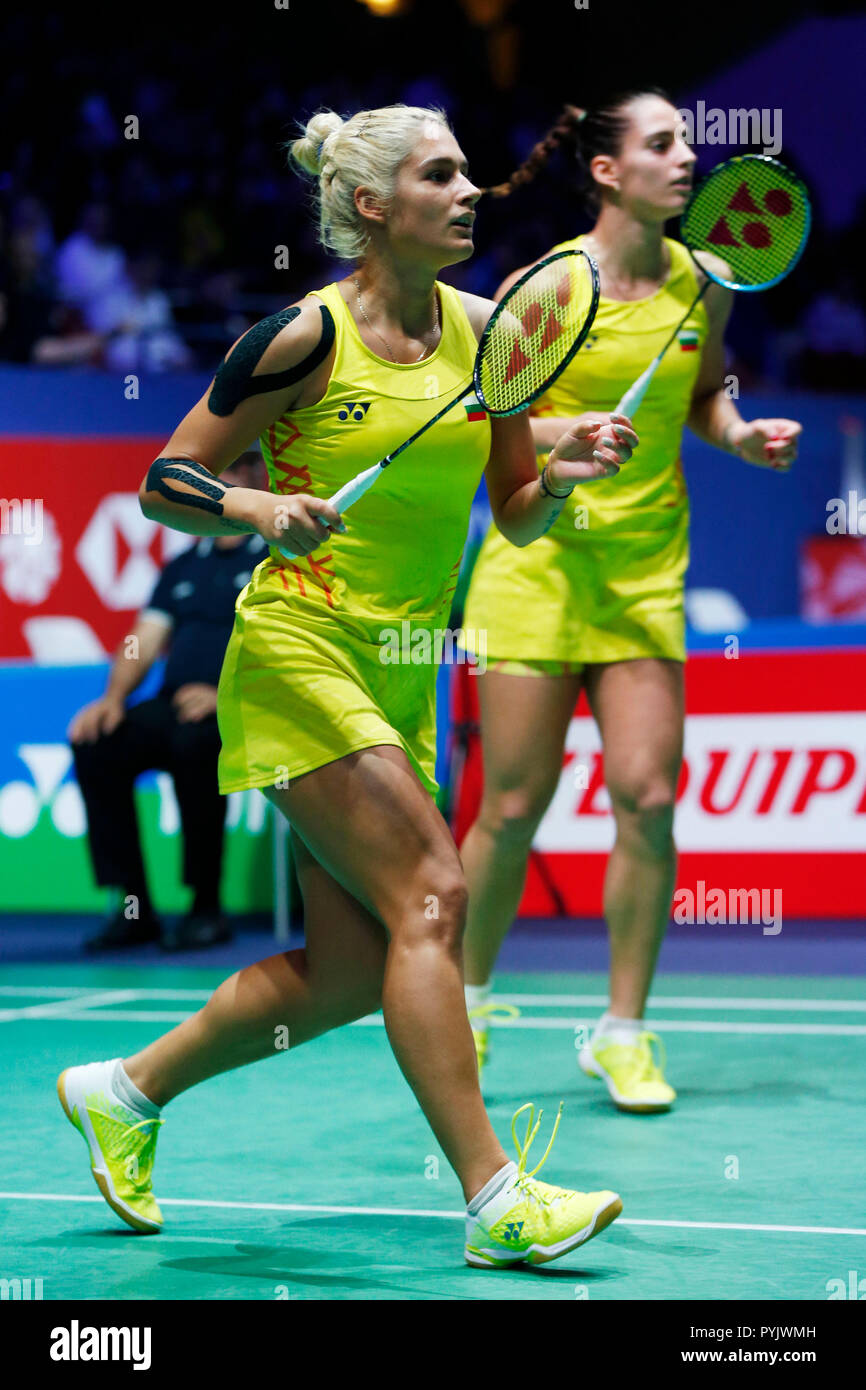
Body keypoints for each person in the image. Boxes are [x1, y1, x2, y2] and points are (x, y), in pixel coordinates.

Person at [56, 102, 637, 1270]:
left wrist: (563, 472)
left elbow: (513, 508)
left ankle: (122, 1088)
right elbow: (163, 479)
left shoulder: (494, 340)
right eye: (440, 175)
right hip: (295, 650)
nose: (470, 189)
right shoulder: (299, 339)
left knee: (351, 973)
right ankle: (494, 1200)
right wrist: (258, 505)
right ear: (371, 207)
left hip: (402, 671)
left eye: (469, 170)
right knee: (433, 889)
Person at [458, 91, 802, 1111]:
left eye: (686, 142)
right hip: (539, 561)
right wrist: (572, 437)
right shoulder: (546, 286)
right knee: (511, 806)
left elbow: (699, 393)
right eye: (662, 145)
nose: (686, 158)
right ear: (607, 171)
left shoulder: (707, 281)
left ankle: (621, 1031)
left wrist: (739, 435)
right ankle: (464, 1006)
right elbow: (500, 430)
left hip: (645, 572)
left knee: (648, 798)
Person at [68, 452, 266, 952]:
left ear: (252, 479)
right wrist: (112, 698)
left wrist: (225, 693)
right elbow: (145, 637)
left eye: (231, 472)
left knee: (195, 744)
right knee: (99, 745)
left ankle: (205, 908)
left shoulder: (271, 558)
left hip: (245, 707)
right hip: (174, 702)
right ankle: (134, 907)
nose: (217, 485)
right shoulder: (183, 565)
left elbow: (285, 642)